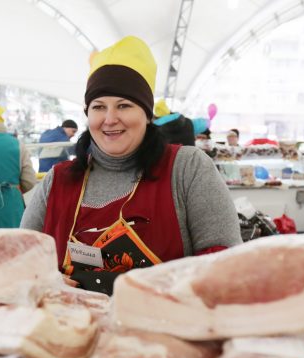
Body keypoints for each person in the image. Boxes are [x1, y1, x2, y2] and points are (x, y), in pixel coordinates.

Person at [21, 35, 241, 293]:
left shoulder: (187, 168)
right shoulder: (58, 180)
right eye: (99, 107)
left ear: (146, 115)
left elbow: (225, 263)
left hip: (166, 326)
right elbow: (22, 261)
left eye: (124, 105)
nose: (110, 119)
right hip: (75, 327)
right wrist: (43, 280)